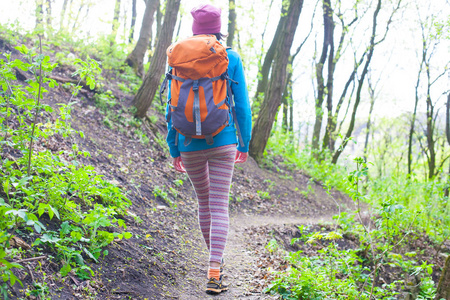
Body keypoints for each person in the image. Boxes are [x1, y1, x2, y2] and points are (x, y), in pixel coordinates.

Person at [164, 3, 252, 295]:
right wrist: (244, 142)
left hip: (188, 144)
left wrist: (173, 146)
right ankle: (214, 271)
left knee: (204, 204)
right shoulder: (230, 57)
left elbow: (171, 105)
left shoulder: (177, 56)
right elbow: (241, 105)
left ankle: (215, 263)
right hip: (223, 141)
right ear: (218, 29)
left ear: (193, 29)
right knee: (219, 205)